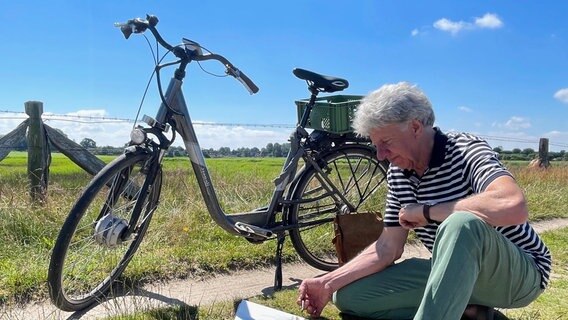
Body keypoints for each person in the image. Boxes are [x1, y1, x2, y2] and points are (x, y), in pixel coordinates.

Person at [297, 82, 551, 319]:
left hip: (519, 275)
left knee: (461, 224)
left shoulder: (465, 149)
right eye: (376, 145)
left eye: (385, 142)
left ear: (416, 127)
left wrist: (428, 212)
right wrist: (327, 282)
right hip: (456, 273)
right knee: (350, 296)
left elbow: (513, 205)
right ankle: (471, 312)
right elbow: (387, 247)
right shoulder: (398, 173)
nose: (381, 156)